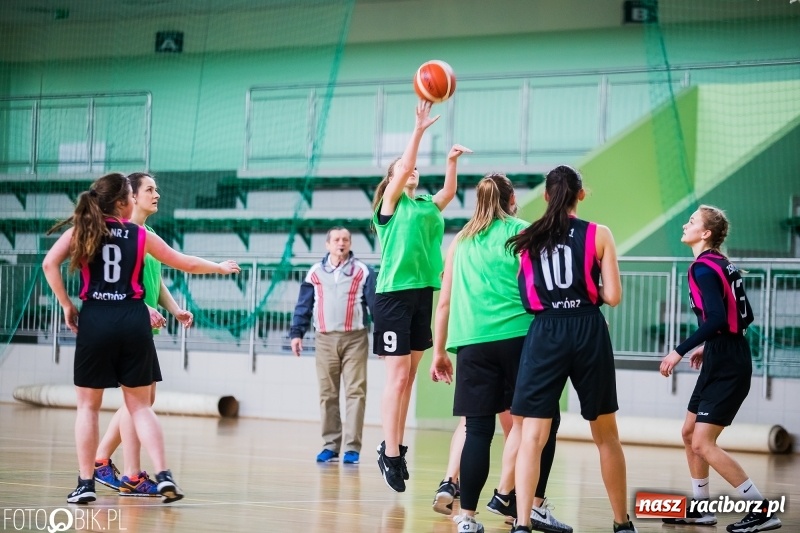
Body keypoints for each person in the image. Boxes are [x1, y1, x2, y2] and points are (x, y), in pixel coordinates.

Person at [42, 172, 240, 504]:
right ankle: (164, 476)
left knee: (88, 407)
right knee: (141, 406)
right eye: (136, 194)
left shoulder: (84, 229)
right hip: (133, 318)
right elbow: (187, 263)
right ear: (124, 202)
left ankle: (86, 483)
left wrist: (66, 305)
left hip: (96, 318)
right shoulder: (139, 234)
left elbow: (50, 264)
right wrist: (218, 268)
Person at [429, 174, 571, 533]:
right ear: (511, 200)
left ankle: (467, 518)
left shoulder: (461, 240)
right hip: (522, 338)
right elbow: (544, 285)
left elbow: (444, 302)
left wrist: (440, 351)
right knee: (541, 422)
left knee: (477, 429)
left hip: (472, 342)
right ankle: (531, 505)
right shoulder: (524, 232)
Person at [506, 165, 636, 533]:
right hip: (587, 328)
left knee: (532, 437)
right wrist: (586, 291)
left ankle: (522, 523)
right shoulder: (599, 233)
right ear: (581, 194)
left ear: (546, 195)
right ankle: (621, 523)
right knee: (606, 435)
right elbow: (613, 296)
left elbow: (528, 295)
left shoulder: (527, 236)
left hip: (546, 331)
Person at [659, 206, 781, 533]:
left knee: (702, 443)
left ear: (706, 233)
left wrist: (679, 350)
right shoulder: (721, 263)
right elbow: (744, 316)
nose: (685, 225)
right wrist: (710, 343)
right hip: (723, 352)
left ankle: (762, 511)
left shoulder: (703, 268)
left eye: (692, 222)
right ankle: (701, 509)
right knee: (689, 434)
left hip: (728, 362)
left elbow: (715, 317)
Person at [371, 98, 471, 493]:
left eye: (414, 168)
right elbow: (402, 169)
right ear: (393, 179)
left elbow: (449, 191)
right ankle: (391, 453)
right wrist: (418, 130)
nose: (411, 170)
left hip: (420, 295)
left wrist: (451, 161)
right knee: (396, 378)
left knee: (409, 378)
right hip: (392, 296)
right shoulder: (390, 205)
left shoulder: (427, 205)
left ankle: (391, 445)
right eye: (403, 168)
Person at [92, 172, 194, 497]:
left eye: (156, 189)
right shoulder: (121, 235)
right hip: (125, 325)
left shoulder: (147, 234)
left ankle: (102, 461)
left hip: (140, 327)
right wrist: (140, 307)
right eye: (150, 189)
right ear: (131, 196)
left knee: (142, 401)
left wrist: (174, 309)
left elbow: (155, 279)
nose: (157, 194)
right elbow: (116, 284)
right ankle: (129, 473)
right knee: (138, 402)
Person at [290, 226, 376, 465]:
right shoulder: (315, 272)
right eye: (337, 239)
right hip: (324, 339)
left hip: (355, 339)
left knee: (356, 393)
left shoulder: (363, 271)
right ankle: (330, 445)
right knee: (327, 394)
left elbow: (375, 306)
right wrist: (296, 333)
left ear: (350, 244)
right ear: (327, 244)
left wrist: (381, 338)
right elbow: (303, 305)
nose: (341, 243)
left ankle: (352, 448)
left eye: (346, 239)